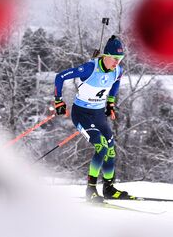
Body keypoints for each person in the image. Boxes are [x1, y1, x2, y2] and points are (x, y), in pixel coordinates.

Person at [53, 35, 134, 202]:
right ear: (105, 56)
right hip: (81, 114)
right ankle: (90, 190)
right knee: (101, 146)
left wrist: (110, 103)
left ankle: (109, 188)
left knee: (111, 148)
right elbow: (60, 77)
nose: (116, 62)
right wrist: (58, 100)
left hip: (98, 114)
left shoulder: (117, 70)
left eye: (120, 58)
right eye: (114, 58)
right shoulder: (89, 68)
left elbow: (116, 82)